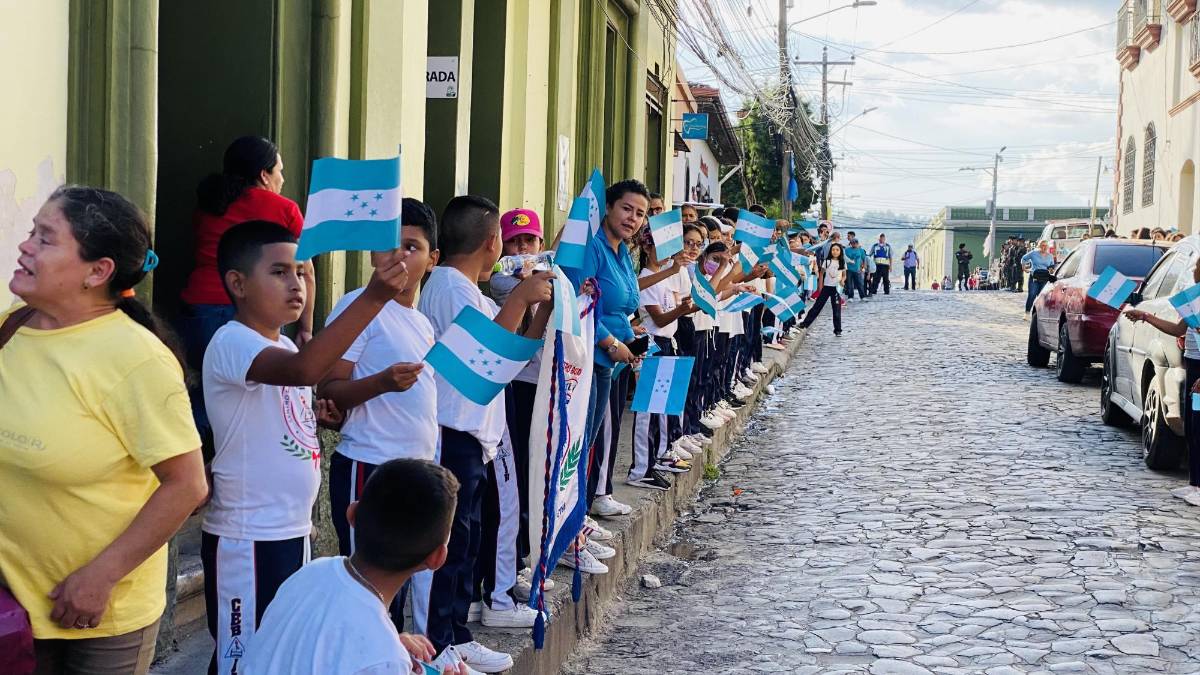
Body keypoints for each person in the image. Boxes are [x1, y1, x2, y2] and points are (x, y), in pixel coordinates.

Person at [0, 186, 207, 675]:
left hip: (98, 612)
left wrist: (100, 576)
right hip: (12, 604)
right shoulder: (12, 328)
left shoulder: (136, 360)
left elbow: (188, 484)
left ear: (98, 272)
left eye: (46, 238)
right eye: (32, 232)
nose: (26, 246)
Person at [201, 221, 409, 674]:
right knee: (243, 660)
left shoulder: (279, 343)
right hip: (247, 535)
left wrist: (314, 416)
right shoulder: (234, 340)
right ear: (237, 283)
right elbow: (303, 370)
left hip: (289, 530)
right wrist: (374, 297)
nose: (296, 284)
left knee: (277, 653)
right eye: (279, 272)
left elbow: (286, 398)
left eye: (301, 272)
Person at [418, 196, 553, 673]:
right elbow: (480, 361)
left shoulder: (471, 291)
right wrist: (518, 298)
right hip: (454, 429)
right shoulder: (449, 288)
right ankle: (439, 642)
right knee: (451, 545)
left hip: (477, 433)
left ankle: (456, 633)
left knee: (467, 540)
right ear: (493, 241)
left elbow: (509, 355)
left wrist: (538, 310)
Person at [317, 198, 442, 636]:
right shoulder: (359, 307)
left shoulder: (421, 323)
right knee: (366, 594)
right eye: (391, 246)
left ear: (432, 260)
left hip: (414, 471)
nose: (400, 256)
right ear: (373, 254)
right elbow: (331, 390)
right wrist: (382, 384)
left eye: (412, 247)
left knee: (394, 595)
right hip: (369, 467)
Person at [242, 459, 467, 675]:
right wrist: (385, 648)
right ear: (437, 558)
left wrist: (387, 641)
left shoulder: (310, 572)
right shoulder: (384, 657)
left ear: (352, 514)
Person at [179, 136, 315, 444]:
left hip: (196, 310)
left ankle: (197, 461)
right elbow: (306, 269)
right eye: (280, 171)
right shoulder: (284, 208)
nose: (283, 179)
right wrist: (305, 327)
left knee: (203, 393)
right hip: (240, 311)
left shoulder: (210, 205)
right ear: (265, 175)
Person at [563, 180, 646, 550]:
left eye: (641, 213)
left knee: (589, 444)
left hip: (611, 362)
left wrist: (630, 335)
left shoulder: (622, 252)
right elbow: (578, 305)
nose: (634, 218)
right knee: (575, 446)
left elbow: (621, 304)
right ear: (609, 207)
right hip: (586, 359)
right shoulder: (591, 248)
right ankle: (568, 530)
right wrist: (611, 342)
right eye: (627, 208)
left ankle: (578, 519)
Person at [488, 208, 557, 607]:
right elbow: (510, 291)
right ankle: (511, 564)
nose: (522, 249)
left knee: (538, 469)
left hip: (543, 382)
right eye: (514, 242)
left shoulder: (545, 281)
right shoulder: (501, 282)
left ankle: (529, 554)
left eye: (529, 241)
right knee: (517, 478)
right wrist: (527, 284)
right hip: (514, 386)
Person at [1124, 258, 1200, 506]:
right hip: (1192, 367)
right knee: (1192, 424)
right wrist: (1146, 316)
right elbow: (1179, 329)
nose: (1193, 269)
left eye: (1197, 266)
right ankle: (1194, 484)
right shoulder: (1194, 298)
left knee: (1199, 425)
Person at [631, 229, 698, 489]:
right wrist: (681, 310)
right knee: (648, 409)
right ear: (647, 249)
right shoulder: (646, 277)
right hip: (653, 342)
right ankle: (640, 468)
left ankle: (660, 456)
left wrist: (689, 306)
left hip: (668, 340)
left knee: (665, 405)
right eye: (660, 248)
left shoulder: (670, 277)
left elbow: (677, 305)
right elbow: (658, 318)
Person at [800, 242, 846, 336]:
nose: (835, 252)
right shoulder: (827, 261)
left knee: (836, 309)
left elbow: (844, 275)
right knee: (817, 307)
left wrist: (842, 281)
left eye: (837, 250)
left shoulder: (842, 262)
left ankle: (838, 330)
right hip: (826, 287)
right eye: (833, 250)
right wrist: (820, 286)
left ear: (840, 251)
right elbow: (821, 274)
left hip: (836, 289)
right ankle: (805, 323)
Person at [1020, 239, 1056, 318]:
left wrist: (1051, 269)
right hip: (1034, 277)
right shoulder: (1034, 253)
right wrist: (1024, 267)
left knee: (1042, 296)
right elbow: (1024, 258)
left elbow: (1052, 266)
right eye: (1042, 245)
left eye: (1045, 246)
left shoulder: (1050, 256)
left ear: (1047, 247)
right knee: (1032, 295)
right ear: (1039, 246)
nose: (1044, 247)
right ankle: (1027, 312)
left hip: (1044, 278)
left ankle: (1038, 314)